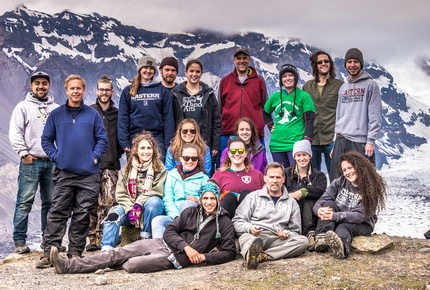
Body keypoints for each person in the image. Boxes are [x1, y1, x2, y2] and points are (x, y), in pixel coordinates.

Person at [49, 182, 236, 274]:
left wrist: (204, 256)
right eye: (205, 198)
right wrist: (186, 246)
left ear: (218, 199)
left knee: (131, 264)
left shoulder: (225, 222)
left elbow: (229, 252)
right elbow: (170, 230)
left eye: (212, 198)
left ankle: (106, 263)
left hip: (174, 258)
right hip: (160, 243)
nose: (209, 202)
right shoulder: (190, 212)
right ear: (201, 199)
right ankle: (66, 266)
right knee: (117, 253)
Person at [37, 75, 108, 268]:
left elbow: (102, 139)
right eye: (72, 88)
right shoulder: (56, 115)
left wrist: (94, 156)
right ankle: (49, 252)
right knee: (58, 212)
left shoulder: (93, 115)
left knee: (82, 213)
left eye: (79, 88)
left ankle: (75, 251)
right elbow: (46, 140)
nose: (75, 91)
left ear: (84, 90)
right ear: (66, 90)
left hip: (89, 174)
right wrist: (57, 156)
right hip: (65, 172)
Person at [9, 71, 59, 254]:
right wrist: (24, 154)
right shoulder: (22, 107)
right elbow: (15, 132)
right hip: (31, 161)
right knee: (25, 201)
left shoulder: (56, 108)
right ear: (31, 86)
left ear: (49, 85)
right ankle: (20, 240)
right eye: (37, 83)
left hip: (52, 162)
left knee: (51, 203)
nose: (41, 86)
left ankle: (48, 240)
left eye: (44, 83)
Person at [233, 162, 309, 269]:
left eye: (278, 177)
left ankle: (263, 256)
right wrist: (249, 228)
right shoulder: (253, 197)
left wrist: (286, 233)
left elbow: (296, 231)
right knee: (246, 239)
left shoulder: (291, 202)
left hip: (277, 239)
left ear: (283, 179)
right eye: (271, 177)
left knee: (303, 241)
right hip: (255, 236)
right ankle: (251, 253)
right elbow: (237, 221)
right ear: (265, 178)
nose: (274, 181)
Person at [312, 151, 387, 259]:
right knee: (328, 204)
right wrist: (318, 210)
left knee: (344, 227)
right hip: (339, 217)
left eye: (350, 168)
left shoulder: (370, 187)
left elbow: (360, 216)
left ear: (359, 166)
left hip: (361, 224)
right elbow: (322, 200)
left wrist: (334, 216)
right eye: (344, 170)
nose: (347, 172)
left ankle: (341, 248)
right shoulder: (339, 182)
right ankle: (322, 239)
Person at [100, 132, 167, 252]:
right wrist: (130, 208)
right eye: (142, 148)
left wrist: (139, 204)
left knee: (154, 202)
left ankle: (146, 239)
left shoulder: (160, 167)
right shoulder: (128, 168)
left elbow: (157, 190)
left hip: (149, 210)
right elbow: (120, 193)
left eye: (149, 148)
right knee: (113, 214)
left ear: (153, 150)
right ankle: (107, 249)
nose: (146, 151)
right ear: (136, 150)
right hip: (129, 209)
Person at [330, 48, 382, 181]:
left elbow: (375, 115)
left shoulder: (371, 86)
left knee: (363, 179)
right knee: (337, 179)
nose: (352, 65)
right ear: (345, 64)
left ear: (361, 64)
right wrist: (336, 142)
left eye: (356, 62)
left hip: (359, 141)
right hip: (341, 139)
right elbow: (339, 115)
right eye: (349, 62)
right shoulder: (343, 87)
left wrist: (370, 141)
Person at [86, 75, 124, 251]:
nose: (104, 92)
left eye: (107, 89)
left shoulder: (118, 114)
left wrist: (117, 154)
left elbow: (122, 138)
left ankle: (103, 237)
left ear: (112, 91)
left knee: (108, 202)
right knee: (91, 202)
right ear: (96, 91)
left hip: (111, 164)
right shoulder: (89, 112)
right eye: (101, 89)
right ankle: (92, 237)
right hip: (91, 165)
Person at [218, 47, 273, 161]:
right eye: (239, 58)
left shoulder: (259, 81)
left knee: (256, 165)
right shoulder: (225, 81)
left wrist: (264, 126)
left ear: (249, 59)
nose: (241, 61)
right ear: (234, 60)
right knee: (225, 164)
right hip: (229, 130)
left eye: (244, 58)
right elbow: (220, 107)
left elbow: (265, 106)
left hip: (253, 133)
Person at [118, 55, 175, 158]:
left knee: (158, 172)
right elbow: (123, 117)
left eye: (151, 68)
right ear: (140, 69)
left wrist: (168, 143)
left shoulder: (162, 90)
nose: (148, 71)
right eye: (145, 68)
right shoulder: (128, 91)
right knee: (135, 172)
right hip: (134, 138)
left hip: (157, 139)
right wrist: (124, 141)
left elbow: (168, 118)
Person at [264, 63, 315, 168]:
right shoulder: (275, 97)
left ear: (295, 78)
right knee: (281, 175)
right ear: (281, 80)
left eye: (290, 75)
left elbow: (309, 120)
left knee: (295, 176)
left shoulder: (304, 97)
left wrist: (307, 141)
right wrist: (270, 125)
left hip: (296, 144)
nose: (288, 78)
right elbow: (265, 112)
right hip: (277, 145)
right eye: (284, 76)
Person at [152, 145, 209, 238]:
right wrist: (175, 216)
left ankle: (185, 242)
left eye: (194, 158)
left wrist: (198, 199)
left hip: (193, 219)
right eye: (186, 158)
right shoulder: (171, 175)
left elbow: (209, 199)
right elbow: (167, 198)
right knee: (157, 221)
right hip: (174, 217)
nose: (190, 161)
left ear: (198, 160)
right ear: (180, 159)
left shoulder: (204, 178)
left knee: (186, 204)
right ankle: (161, 249)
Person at [171, 59, 221, 163]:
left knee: (204, 172)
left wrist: (215, 144)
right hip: (182, 142)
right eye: (191, 71)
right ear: (186, 72)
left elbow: (216, 120)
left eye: (197, 71)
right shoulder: (176, 93)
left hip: (203, 143)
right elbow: (171, 120)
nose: (194, 74)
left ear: (201, 73)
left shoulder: (208, 93)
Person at [303, 51, 344, 174]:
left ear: (330, 64)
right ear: (315, 65)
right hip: (312, 139)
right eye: (319, 62)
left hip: (332, 139)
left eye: (326, 61)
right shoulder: (307, 87)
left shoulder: (340, 86)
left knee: (336, 176)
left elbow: (345, 112)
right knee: (313, 177)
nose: (323, 64)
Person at [284, 140, 327, 242]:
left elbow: (321, 190)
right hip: (290, 210)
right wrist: (289, 195)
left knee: (309, 198)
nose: (302, 158)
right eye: (298, 155)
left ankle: (310, 233)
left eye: (305, 155)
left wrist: (302, 192)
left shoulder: (319, 175)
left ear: (310, 156)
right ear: (294, 157)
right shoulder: (285, 173)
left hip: (310, 213)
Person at [212, 138, 265, 219]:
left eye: (240, 151)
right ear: (229, 154)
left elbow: (265, 198)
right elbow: (211, 197)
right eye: (233, 151)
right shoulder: (219, 175)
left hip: (251, 220)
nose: (237, 154)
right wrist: (232, 195)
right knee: (230, 196)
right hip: (226, 218)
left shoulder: (257, 175)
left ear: (246, 153)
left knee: (246, 194)